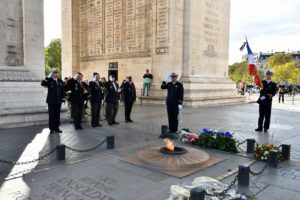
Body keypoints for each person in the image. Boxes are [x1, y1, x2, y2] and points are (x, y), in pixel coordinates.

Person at [41, 68, 65, 134]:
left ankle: (57, 128)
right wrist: (47, 77)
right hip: (51, 101)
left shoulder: (60, 81)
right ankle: (52, 129)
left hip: (58, 101)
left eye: (57, 73)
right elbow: (42, 84)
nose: (56, 74)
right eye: (54, 73)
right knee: (51, 115)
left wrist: (63, 99)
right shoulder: (49, 80)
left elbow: (62, 91)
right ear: (52, 73)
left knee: (57, 115)